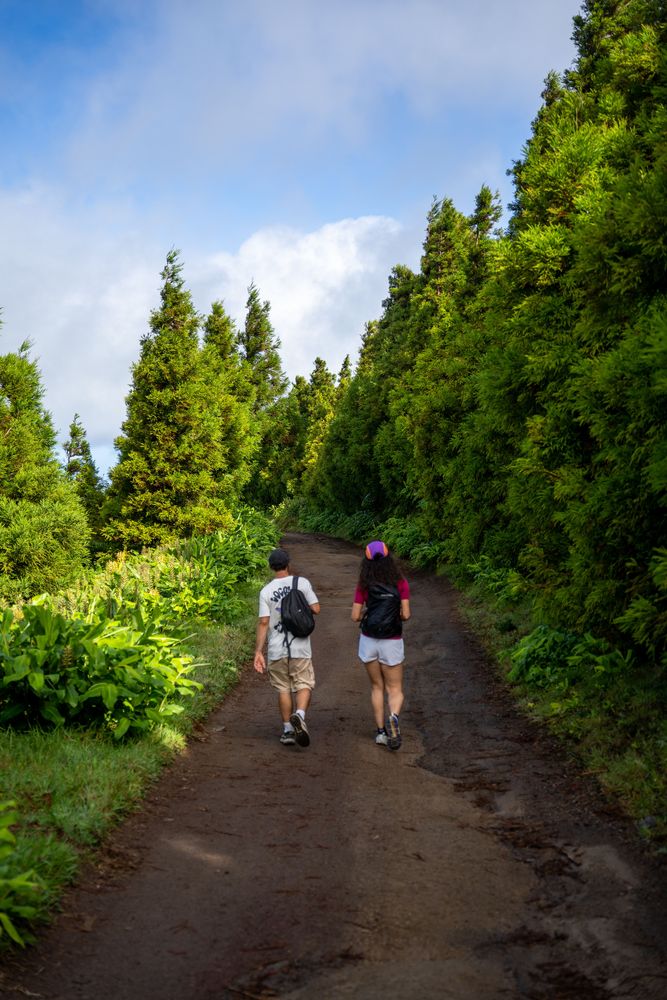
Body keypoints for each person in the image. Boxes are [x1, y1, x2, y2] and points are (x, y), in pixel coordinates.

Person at [254, 548, 320, 747]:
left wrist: (258, 651)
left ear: (271, 567)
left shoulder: (266, 591)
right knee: (304, 684)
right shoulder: (302, 583)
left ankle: (287, 731)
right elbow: (316, 608)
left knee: (283, 689)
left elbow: (263, 622)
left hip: (277, 649)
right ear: (288, 564)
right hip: (300, 646)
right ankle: (299, 714)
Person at [351, 540, 411, 750]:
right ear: (388, 559)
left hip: (369, 640)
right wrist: (392, 616)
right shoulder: (400, 582)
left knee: (377, 687)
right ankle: (393, 717)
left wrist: (371, 616)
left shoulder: (364, 584)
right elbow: (406, 614)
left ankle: (380, 732)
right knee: (395, 689)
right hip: (391, 640)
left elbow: (355, 616)